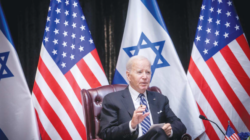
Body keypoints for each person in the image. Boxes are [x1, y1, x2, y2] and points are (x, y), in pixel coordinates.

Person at [99, 56, 186, 140]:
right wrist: (131, 125)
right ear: (128, 75)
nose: (145, 77)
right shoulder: (112, 100)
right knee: (157, 131)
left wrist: (169, 131)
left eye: (148, 72)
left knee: (158, 131)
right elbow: (106, 133)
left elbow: (180, 125)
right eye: (139, 72)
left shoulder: (160, 99)